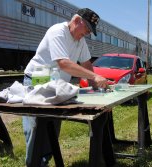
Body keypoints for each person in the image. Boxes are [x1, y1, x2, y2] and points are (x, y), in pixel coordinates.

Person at [22, 8, 108, 166]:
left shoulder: (80, 40)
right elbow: (64, 64)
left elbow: (87, 64)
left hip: (56, 85)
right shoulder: (58, 31)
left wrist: (100, 88)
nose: (88, 33)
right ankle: (33, 163)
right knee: (36, 128)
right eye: (87, 28)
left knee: (52, 128)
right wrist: (95, 77)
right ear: (77, 21)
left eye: (90, 30)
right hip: (37, 81)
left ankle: (43, 161)